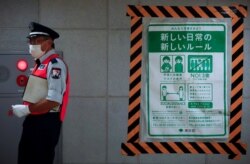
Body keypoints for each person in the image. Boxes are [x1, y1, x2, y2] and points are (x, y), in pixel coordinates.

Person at [9, 22, 70, 164]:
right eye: (30, 41)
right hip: (35, 121)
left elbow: (54, 100)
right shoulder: (41, 63)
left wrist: (26, 109)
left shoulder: (55, 64)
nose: (32, 44)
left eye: (36, 41)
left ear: (48, 43)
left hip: (45, 124)